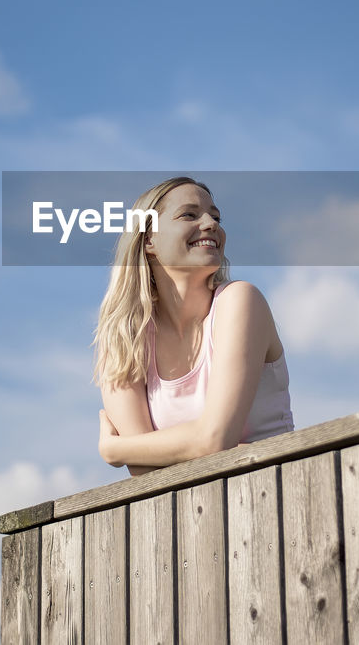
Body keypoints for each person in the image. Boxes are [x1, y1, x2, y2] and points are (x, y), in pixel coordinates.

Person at [94, 176, 293, 475]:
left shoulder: (240, 300)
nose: (211, 224)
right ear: (149, 239)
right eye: (189, 214)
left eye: (215, 216)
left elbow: (214, 439)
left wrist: (115, 449)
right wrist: (204, 444)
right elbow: (143, 471)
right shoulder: (123, 339)